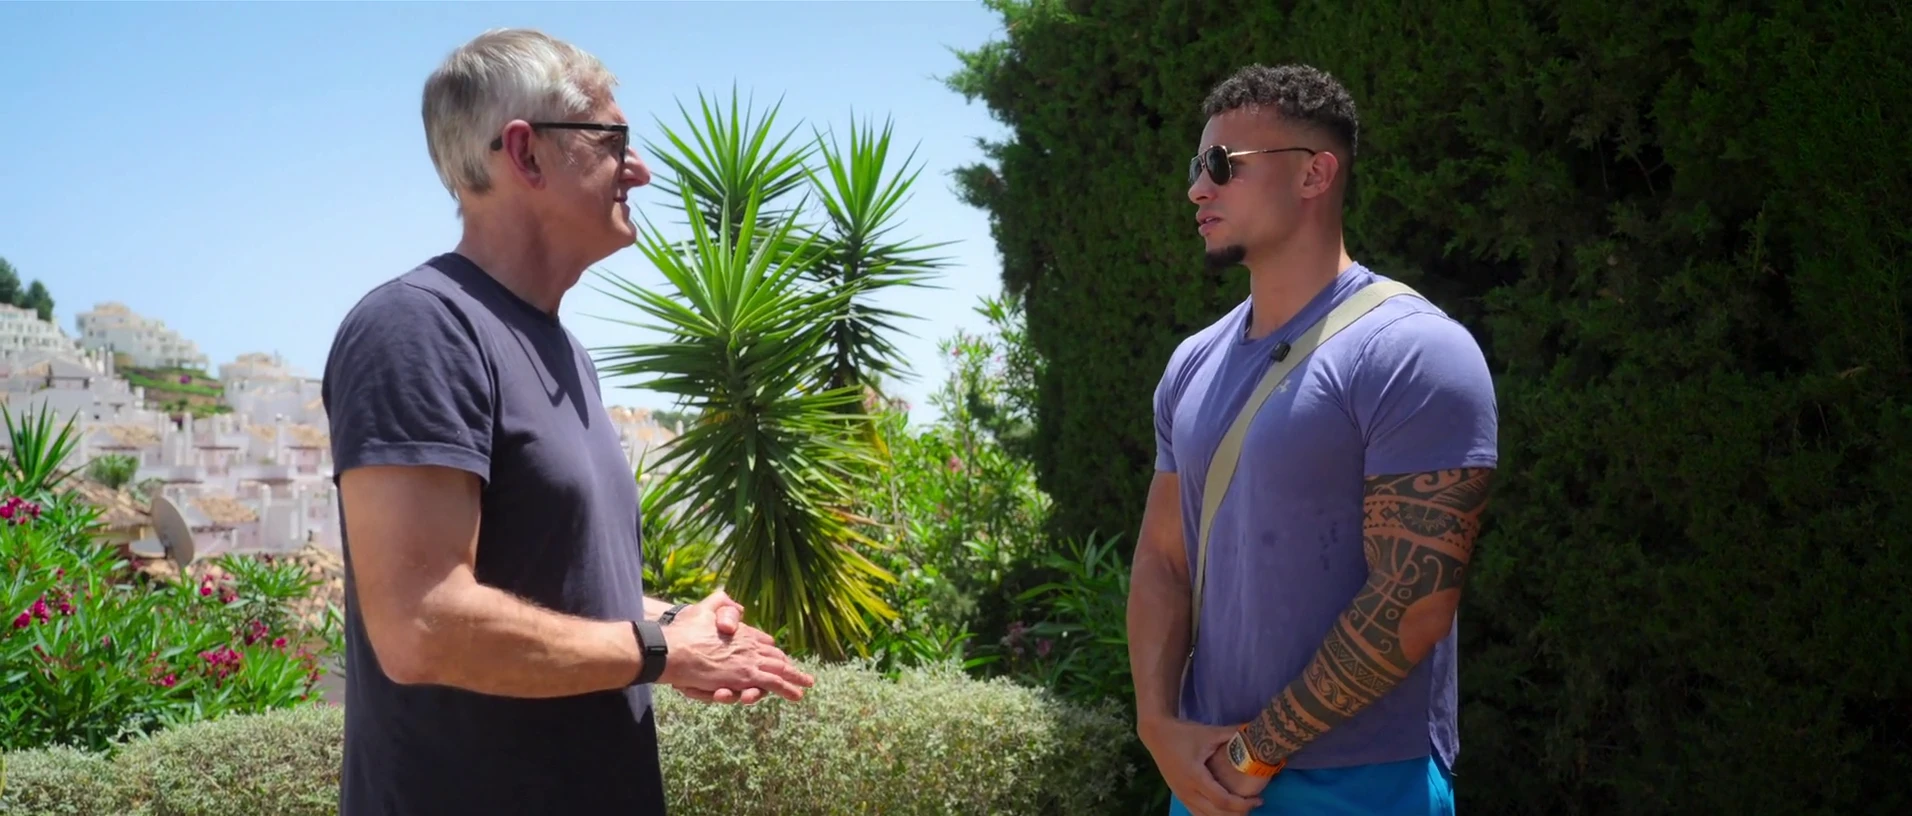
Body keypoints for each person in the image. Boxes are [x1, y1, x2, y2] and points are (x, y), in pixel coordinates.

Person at [320, 28, 815, 816]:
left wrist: (679, 625)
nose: (639, 169)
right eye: (613, 141)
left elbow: (557, 587)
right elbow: (422, 624)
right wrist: (657, 650)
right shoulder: (418, 329)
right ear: (526, 153)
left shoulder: (562, 351)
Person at [1127, 63, 1498, 816]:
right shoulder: (1191, 362)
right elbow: (1164, 557)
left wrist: (1255, 753)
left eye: (1222, 164)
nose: (1197, 189)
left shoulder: (1414, 350)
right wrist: (1158, 726)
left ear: (1314, 174)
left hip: (1366, 784)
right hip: (1205, 781)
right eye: (1197, 166)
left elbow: (1412, 602)